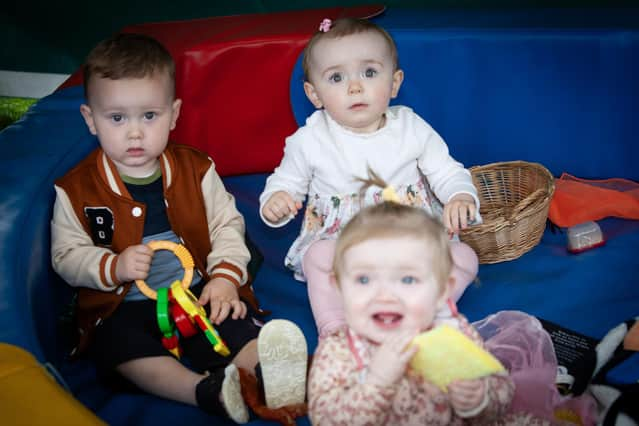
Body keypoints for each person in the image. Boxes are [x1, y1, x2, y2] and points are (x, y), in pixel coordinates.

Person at [50, 33, 307, 423]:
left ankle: (268, 371)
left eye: (149, 116)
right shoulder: (76, 189)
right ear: (91, 119)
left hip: (197, 289)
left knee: (230, 319)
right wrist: (111, 266)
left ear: (173, 114)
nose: (134, 133)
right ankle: (205, 393)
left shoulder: (196, 168)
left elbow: (227, 225)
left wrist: (224, 278)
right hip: (123, 305)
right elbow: (65, 255)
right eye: (117, 118)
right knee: (118, 347)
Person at [259, 17, 480, 337]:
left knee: (464, 258)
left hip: (410, 244)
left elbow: (447, 171)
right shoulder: (309, 140)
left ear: (394, 83)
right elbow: (286, 183)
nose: (355, 86)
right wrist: (276, 202)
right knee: (317, 256)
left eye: (370, 72)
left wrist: (460, 195)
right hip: (349, 252)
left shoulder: (411, 127)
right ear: (314, 94)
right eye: (336, 77)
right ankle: (334, 325)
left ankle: (425, 316)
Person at [307, 190, 533, 425]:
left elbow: (501, 386)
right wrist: (375, 383)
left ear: (441, 292)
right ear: (339, 287)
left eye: (407, 280)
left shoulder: (450, 332)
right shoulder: (338, 351)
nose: (385, 296)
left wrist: (480, 398)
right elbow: (325, 418)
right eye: (364, 280)